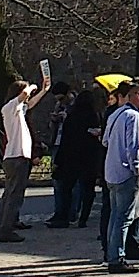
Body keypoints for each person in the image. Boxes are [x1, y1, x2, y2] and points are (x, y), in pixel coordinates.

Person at [101, 80, 139, 272]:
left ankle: (113, 254)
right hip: (125, 172)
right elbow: (134, 147)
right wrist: (137, 169)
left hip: (111, 171)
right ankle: (116, 258)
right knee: (124, 217)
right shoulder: (133, 116)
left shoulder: (115, 113)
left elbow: (105, 140)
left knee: (115, 215)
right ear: (136, 95)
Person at [0, 75, 44, 242]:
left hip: (18, 156)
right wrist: (32, 86)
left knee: (10, 195)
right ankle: (5, 229)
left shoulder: (19, 109)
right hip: (16, 156)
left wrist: (43, 90)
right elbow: (23, 97)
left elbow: (30, 103)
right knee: (14, 196)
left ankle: (3, 227)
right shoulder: (10, 107)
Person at [48, 82, 104, 228]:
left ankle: (64, 216)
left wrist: (59, 160)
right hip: (89, 158)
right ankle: (83, 218)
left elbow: (66, 139)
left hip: (71, 157)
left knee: (67, 187)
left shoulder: (72, 117)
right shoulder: (94, 116)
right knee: (87, 190)